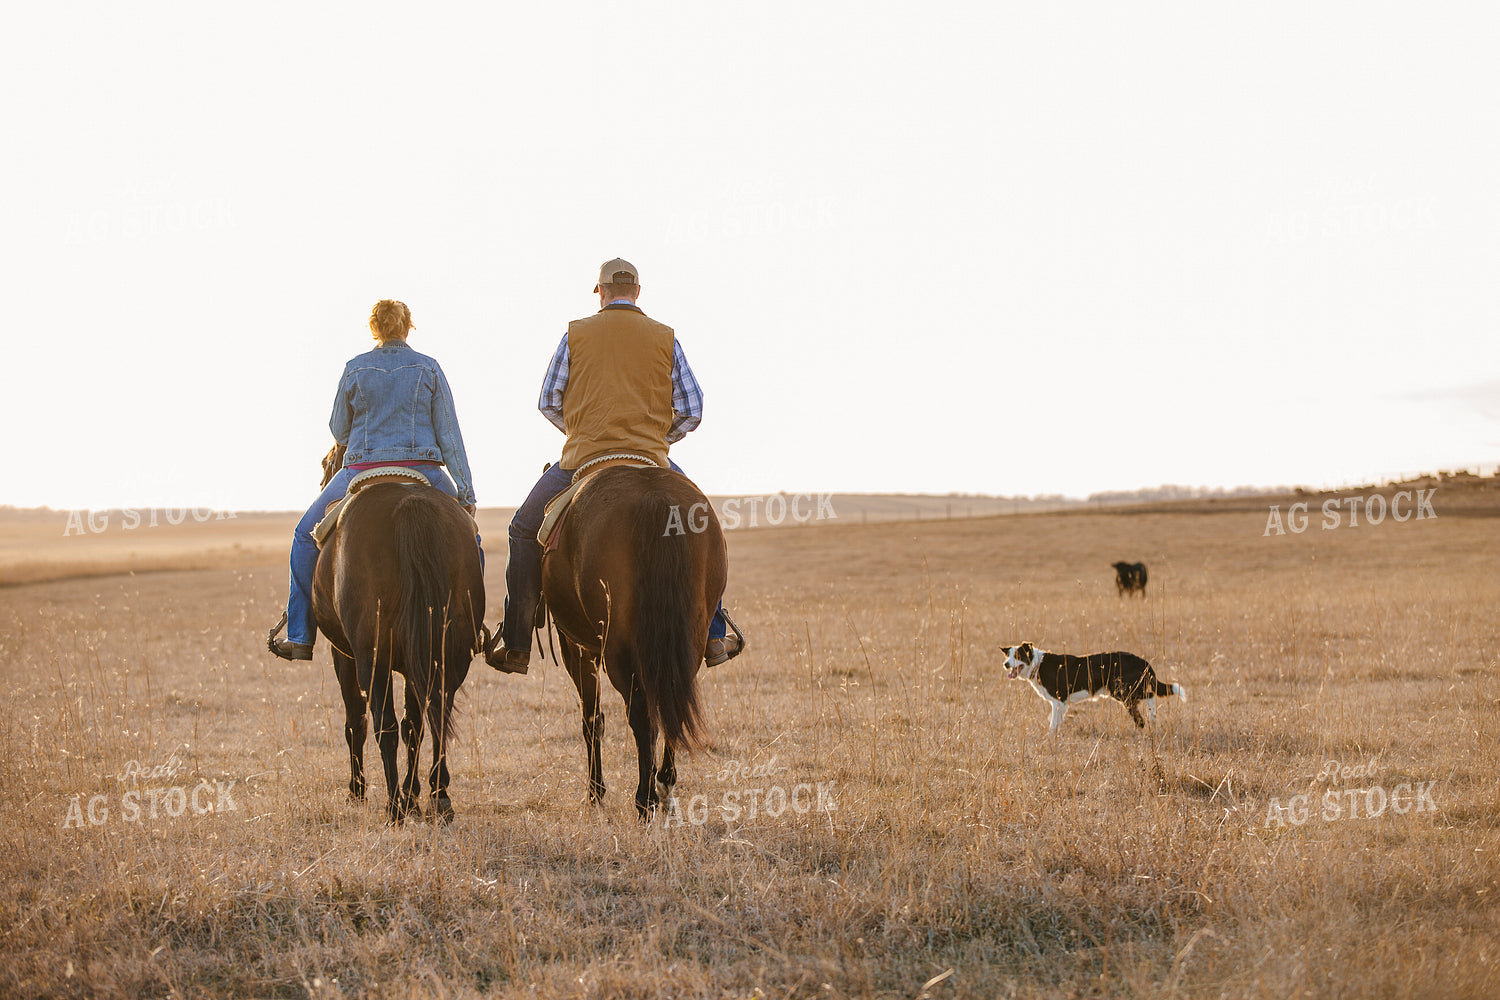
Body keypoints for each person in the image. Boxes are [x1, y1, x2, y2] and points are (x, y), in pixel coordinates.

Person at [488, 258, 742, 673]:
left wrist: (584, 430)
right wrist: (660, 436)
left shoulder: (575, 334)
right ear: (637, 292)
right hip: (651, 459)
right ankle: (713, 635)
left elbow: (548, 401)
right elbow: (692, 409)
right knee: (701, 524)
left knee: (521, 528)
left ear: (600, 292)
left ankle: (517, 643)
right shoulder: (665, 337)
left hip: (583, 460)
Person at [268, 299, 479, 660]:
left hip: (361, 471)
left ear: (374, 328)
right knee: (468, 537)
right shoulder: (429, 368)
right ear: (408, 327)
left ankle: (301, 636)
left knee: (304, 537)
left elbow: (338, 428)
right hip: (424, 469)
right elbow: (450, 435)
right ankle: (470, 627)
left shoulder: (355, 369)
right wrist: (466, 492)